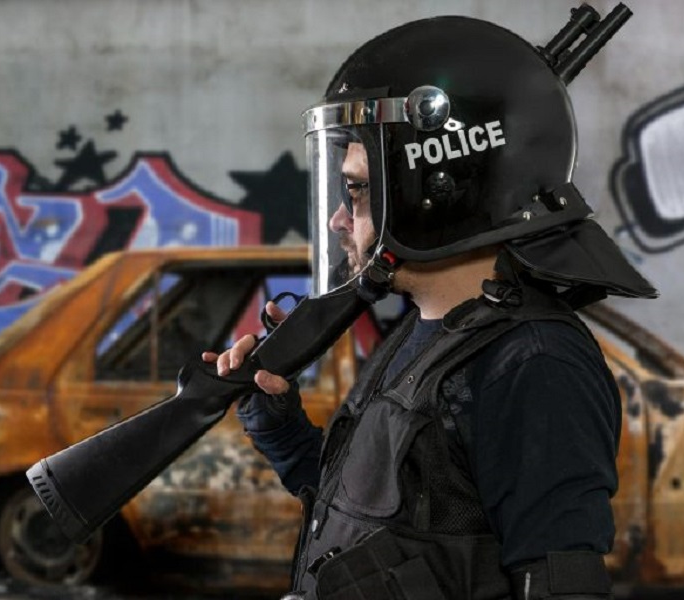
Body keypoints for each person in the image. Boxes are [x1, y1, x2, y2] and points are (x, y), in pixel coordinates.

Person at [204, 6, 656, 599]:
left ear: (433, 194)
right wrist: (280, 427)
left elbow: (560, 586)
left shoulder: (534, 364)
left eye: (359, 190)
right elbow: (372, 520)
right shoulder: (425, 332)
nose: (340, 218)